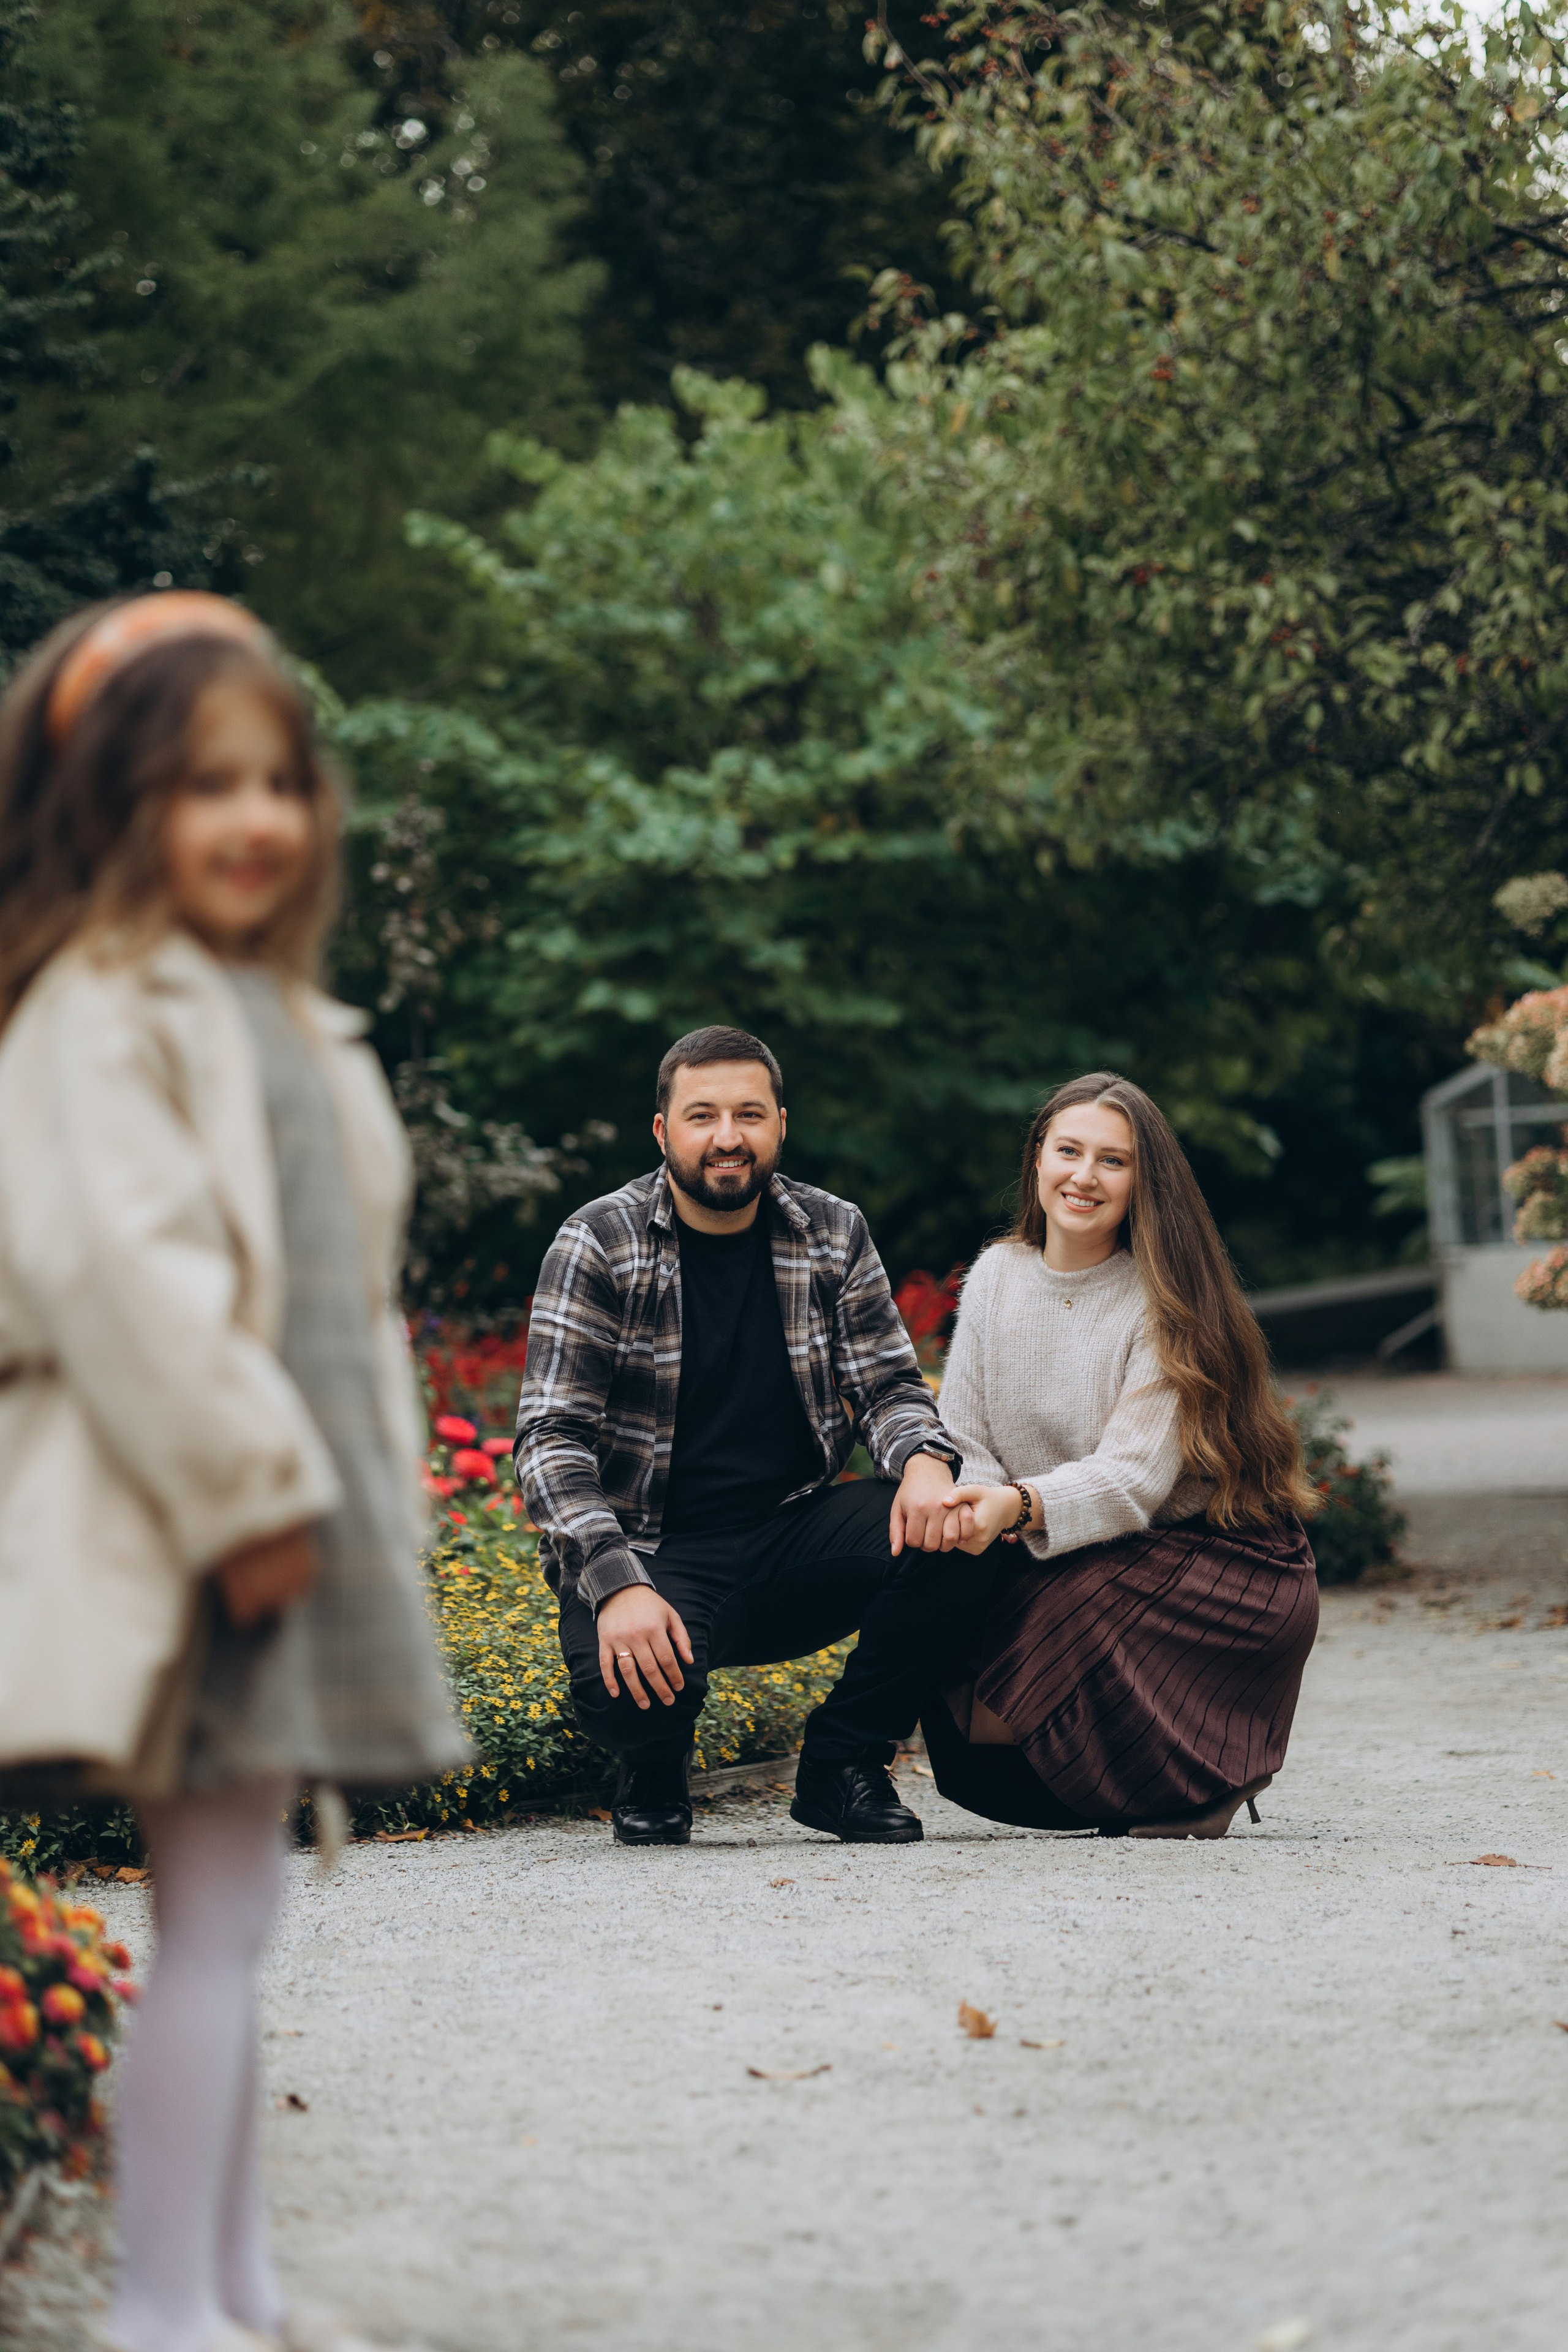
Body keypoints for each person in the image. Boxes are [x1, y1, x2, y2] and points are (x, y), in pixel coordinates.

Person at [0, 594, 469, 2352]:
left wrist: (363, 1491)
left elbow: (338, 1298)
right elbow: (123, 1276)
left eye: (279, 781)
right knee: (204, 1915)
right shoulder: (94, 1011)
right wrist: (250, 1501)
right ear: (115, 803)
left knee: (234, 1908)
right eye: (208, 785)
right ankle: (159, 2309)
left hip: (292, 1498)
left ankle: (234, 2281)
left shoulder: (281, 1015)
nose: (256, 818)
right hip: (192, 1514)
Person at [514, 1024, 988, 1846]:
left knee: (960, 1534)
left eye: (748, 1114)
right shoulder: (599, 1239)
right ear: (663, 1131)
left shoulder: (831, 1231)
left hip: (792, 1533)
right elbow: (550, 1439)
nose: (727, 1137)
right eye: (702, 1116)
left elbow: (888, 1385)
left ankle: (843, 1765)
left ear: (779, 1125)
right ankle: (656, 1767)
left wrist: (922, 1461)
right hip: (652, 1549)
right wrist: (614, 1579)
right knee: (621, 1690)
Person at [924, 1072, 1320, 1840]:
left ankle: (1213, 1771)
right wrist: (973, 1515)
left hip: (1216, 1564)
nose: (1084, 1176)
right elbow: (962, 1435)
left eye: (1113, 1161)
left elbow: (1133, 1478)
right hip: (1064, 1547)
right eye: (1068, 1151)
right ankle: (1172, 1775)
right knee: (961, 1727)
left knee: (1019, 1688)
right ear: (1038, 1158)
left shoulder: (1168, 1301)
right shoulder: (995, 1277)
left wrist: (1021, 1506)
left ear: (1144, 1182)